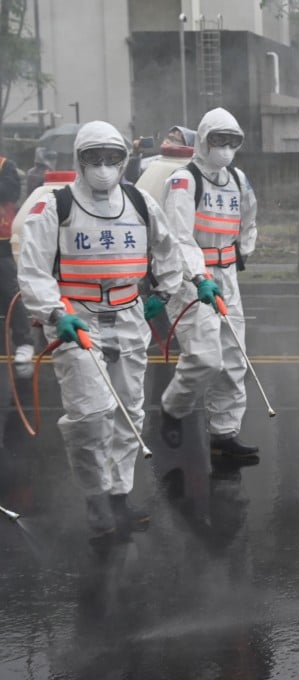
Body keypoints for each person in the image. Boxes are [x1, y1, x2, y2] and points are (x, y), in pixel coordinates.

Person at [17, 121, 184, 537]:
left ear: (124, 159)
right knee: (90, 415)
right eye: (95, 157)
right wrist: (55, 314)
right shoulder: (56, 206)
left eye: (112, 157)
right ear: (80, 159)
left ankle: (118, 496)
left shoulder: (139, 202)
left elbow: (168, 247)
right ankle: (95, 497)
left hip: (129, 314)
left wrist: (164, 291)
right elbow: (33, 268)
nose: (104, 166)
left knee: (128, 411)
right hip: (77, 319)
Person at [159, 107, 259, 462]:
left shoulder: (238, 179)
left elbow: (249, 217)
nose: (225, 148)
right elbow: (178, 236)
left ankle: (224, 434)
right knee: (205, 358)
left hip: (227, 275)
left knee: (233, 358)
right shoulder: (184, 181)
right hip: (192, 280)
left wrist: (242, 252)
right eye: (219, 140)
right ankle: (173, 408)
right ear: (203, 140)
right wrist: (199, 276)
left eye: (232, 141)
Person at [0, 152, 34, 371]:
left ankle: (24, 342)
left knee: (9, 291)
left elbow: (10, 192)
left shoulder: (4, 165)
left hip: (1, 242)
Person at [124, 126, 196, 184]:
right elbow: (131, 177)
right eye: (168, 138)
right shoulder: (155, 161)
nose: (166, 141)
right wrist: (136, 153)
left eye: (173, 140)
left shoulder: (188, 169)